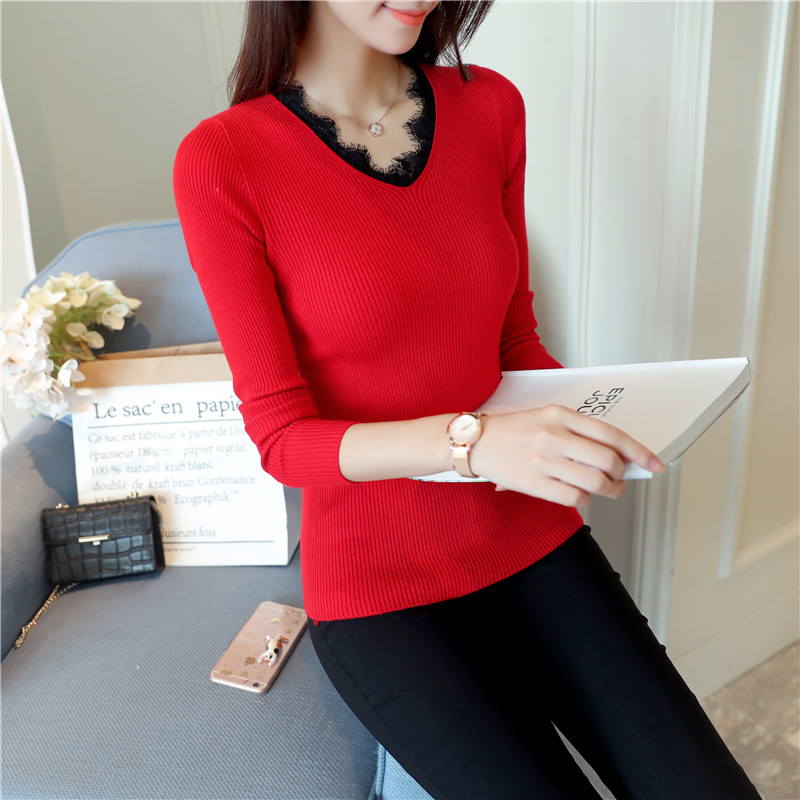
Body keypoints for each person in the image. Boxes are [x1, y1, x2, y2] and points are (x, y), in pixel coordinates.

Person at [173, 3, 762, 798]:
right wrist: (473, 442)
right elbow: (283, 438)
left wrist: (592, 422)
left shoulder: (488, 106)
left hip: (530, 538)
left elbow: (514, 342)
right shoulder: (223, 159)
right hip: (381, 590)